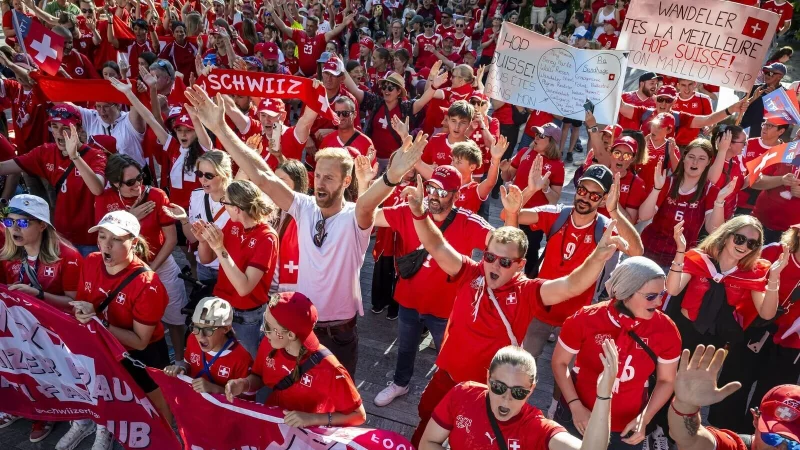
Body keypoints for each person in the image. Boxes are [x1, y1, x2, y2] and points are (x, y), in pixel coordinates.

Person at [404, 173, 629, 445]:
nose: (494, 266)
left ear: (520, 265)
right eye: (489, 257)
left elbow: (572, 285)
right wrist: (418, 212)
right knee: (425, 426)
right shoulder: (469, 272)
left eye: (505, 262)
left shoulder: (527, 292)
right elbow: (437, 245)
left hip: (491, 393)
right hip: (447, 378)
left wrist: (597, 256)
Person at [184, 85, 369, 377]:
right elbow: (261, 174)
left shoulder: (355, 216)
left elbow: (372, 202)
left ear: (347, 182)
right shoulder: (303, 206)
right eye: (318, 175)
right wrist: (220, 127)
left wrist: (391, 176)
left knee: (337, 402)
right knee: (288, 393)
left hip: (337, 333)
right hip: (294, 324)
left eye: (330, 178)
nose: (321, 183)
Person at [356, 141, 494, 406]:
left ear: (456, 195)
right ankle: (400, 383)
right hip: (409, 301)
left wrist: (510, 214)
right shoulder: (409, 211)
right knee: (405, 349)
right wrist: (365, 184)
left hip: (448, 309)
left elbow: (503, 243)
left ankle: (451, 397)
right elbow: (368, 215)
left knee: (449, 357)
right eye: (431, 188)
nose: (434, 195)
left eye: (442, 191)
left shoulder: (468, 221)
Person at [509, 165, 643, 359]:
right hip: (541, 308)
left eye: (595, 196)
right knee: (521, 363)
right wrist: (531, 190)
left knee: (564, 379)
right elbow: (510, 214)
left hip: (576, 317)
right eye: (582, 190)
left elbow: (637, 251)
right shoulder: (558, 214)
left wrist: (614, 211)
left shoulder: (605, 227)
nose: (585, 198)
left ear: (604, 199)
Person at [64, 211, 171, 450]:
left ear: (133, 242)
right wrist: (82, 313)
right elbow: (83, 303)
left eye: (116, 239)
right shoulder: (91, 261)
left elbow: (141, 341)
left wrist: (97, 320)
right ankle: (106, 429)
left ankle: (165, 442)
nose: (106, 246)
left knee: (157, 411)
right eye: (102, 237)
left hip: (141, 354)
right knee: (107, 396)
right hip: (103, 345)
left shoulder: (148, 284)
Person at [666, 216, 783, 432]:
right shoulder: (698, 259)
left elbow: (766, 313)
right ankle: (656, 426)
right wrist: (680, 252)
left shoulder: (753, 272)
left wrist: (774, 278)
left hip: (714, 341)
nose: (744, 246)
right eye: (739, 238)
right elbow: (672, 289)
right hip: (684, 332)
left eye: (752, 243)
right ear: (727, 235)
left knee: (693, 392)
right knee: (666, 381)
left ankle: (678, 433)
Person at [553, 256, 681, 450]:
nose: (659, 302)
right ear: (625, 292)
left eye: (661, 294)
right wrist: (575, 405)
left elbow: (667, 380)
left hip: (627, 428)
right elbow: (559, 363)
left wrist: (644, 418)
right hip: (580, 417)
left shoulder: (667, 330)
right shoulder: (585, 319)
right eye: (651, 296)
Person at [420, 344, 617, 450]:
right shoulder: (463, 395)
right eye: (498, 387)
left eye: (518, 392)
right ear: (488, 379)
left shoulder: (536, 428)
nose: (506, 399)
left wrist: (604, 395)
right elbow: (428, 443)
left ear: (531, 390)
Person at [0, 194, 83, 442]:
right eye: (9, 222)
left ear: (42, 225)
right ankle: (22, 406)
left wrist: (38, 295)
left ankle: (47, 414)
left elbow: (75, 304)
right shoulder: (8, 256)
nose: (14, 229)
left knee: (51, 373)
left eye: (23, 223)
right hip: (22, 329)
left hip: (57, 332)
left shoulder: (68, 256)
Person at [95, 154, 189, 361]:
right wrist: (130, 218)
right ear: (114, 183)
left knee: (175, 318)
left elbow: (171, 240)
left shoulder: (156, 195)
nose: (138, 185)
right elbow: (102, 240)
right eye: (130, 182)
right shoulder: (105, 198)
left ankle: (180, 361)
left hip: (160, 265)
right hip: (123, 271)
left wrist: (150, 270)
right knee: (136, 323)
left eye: (140, 178)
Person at [224, 292, 367, 427]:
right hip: (277, 425)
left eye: (268, 326)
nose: (263, 330)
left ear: (291, 335)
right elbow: (259, 377)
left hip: (309, 436)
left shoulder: (330, 368)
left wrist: (312, 419)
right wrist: (243, 384)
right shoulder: (269, 344)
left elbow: (359, 415)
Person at [0, 105, 106, 256]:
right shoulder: (45, 152)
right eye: (54, 126)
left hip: (90, 240)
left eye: (65, 127)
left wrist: (74, 156)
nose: (59, 133)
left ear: (79, 129)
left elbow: (97, 188)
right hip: (60, 238)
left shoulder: (96, 155)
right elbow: (5, 167)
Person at [195, 179, 279, 358]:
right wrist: (204, 241)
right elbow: (206, 258)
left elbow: (244, 288)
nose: (223, 207)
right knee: (222, 357)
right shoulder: (233, 224)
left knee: (248, 363)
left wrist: (219, 248)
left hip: (246, 317)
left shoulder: (267, 238)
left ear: (237, 208)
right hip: (222, 307)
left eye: (225, 203)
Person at [667, 345, 800, 450]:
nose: (781, 448)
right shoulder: (733, 446)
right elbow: (689, 440)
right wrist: (686, 405)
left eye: (794, 445)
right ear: (756, 419)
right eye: (773, 437)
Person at [111, 78, 212, 210]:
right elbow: (150, 118)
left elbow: (201, 125)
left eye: (188, 130)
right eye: (179, 130)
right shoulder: (174, 147)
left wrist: (195, 115)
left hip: (201, 213)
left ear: (197, 132)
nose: (183, 134)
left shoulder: (204, 149)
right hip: (175, 213)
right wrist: (129, 93)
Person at [638, 139, 736, 268]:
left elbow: (714, 229)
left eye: (701, 158)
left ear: (708, 162)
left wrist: (719, 202)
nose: (695, 162)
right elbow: (644, 216)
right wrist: (657, 189)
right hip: (648, 252)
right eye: (691, 156)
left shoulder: (710, 190)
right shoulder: (667, 183)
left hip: (679, 259)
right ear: (684, 158)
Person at [500, 122, 564, 276]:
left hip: (534, 217)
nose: (536, 137)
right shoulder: (524, 152)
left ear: (552, 142)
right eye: (536, 133)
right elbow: (508, 176)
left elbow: (554, 200)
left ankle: (529, 282)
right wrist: (503, 171)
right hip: (513, 209)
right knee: (506, 246)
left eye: (541, 135)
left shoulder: (557, 166)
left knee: (530, 251)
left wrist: (545, 188)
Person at [163, 150, 233, 289]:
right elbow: (193, 238)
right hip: (203, 267)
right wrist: (184, 219)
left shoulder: (237, 201)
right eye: (199, 174)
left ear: (224, 174)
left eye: (209, 175)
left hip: (229, 269)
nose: (202, 180)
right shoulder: (196, 196)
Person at [163, 297, 254, 397]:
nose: (201, 337)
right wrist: (180, 369)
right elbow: (188, 363)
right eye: (196, 327)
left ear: (226, 328)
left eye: (208, 330)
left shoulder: (242, 359)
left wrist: (216, 389)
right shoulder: (193, 338)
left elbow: (247, 402)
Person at [739, 63, 786, 139]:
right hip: (746, 130)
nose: (766, 75)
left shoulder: (786, 94)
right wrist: (753, 98)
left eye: (770, 73)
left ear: (780, 76)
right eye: (765, 72)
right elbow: (739, 107)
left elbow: (786, 118)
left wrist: (774, 98)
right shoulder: (755, 88)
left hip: (767, 135)